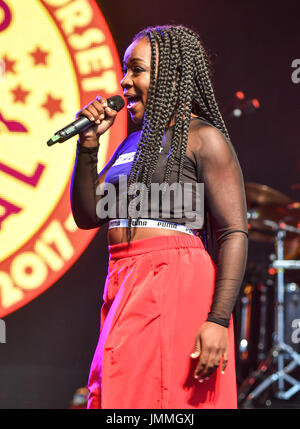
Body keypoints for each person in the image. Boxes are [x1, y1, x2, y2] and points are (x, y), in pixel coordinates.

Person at [70, 24, 248, 409]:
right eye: (124, 70)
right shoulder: (131, 143)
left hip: (175, 277)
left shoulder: (202, 137)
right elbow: (88, 214)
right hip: (123, 279)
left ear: (172, 75)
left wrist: (218, 320)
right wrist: (89, 145)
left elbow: (234, 232)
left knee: (163, 398)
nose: (124, 82)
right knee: (117, 395)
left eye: (137, 70)